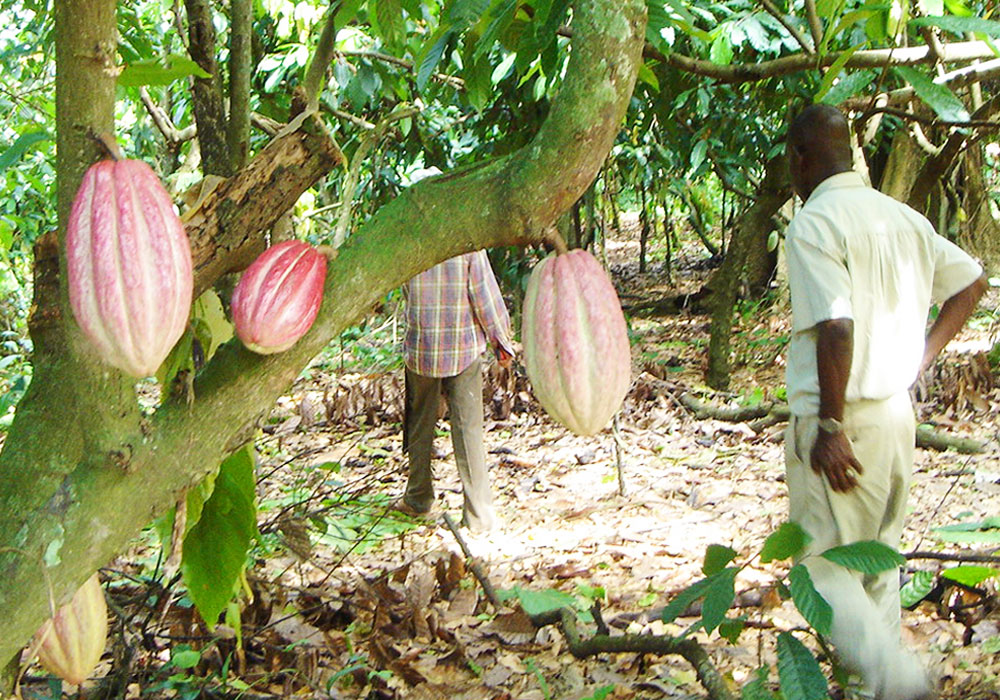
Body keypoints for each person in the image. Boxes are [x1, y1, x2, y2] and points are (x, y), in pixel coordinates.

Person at [783, 104, 987, 700]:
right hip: (896, 416)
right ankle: (876, 690)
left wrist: (829, 424)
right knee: (875, 563)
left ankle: (896, 682)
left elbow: (836, 326)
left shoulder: (815, 223)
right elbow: (971, 281)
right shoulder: (901, 217)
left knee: (821, 571)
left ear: (799, 157)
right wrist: (918, 360)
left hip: (846, 421)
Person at [399, 249, 514, 534]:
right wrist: (501, 342)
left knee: (420, 425)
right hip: (462, 347)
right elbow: (484, 296)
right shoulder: (467, 245)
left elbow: (404, 291)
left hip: (421, 347)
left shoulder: (410, 240)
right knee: (467, 430)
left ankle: (418, 498)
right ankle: (478, 514)